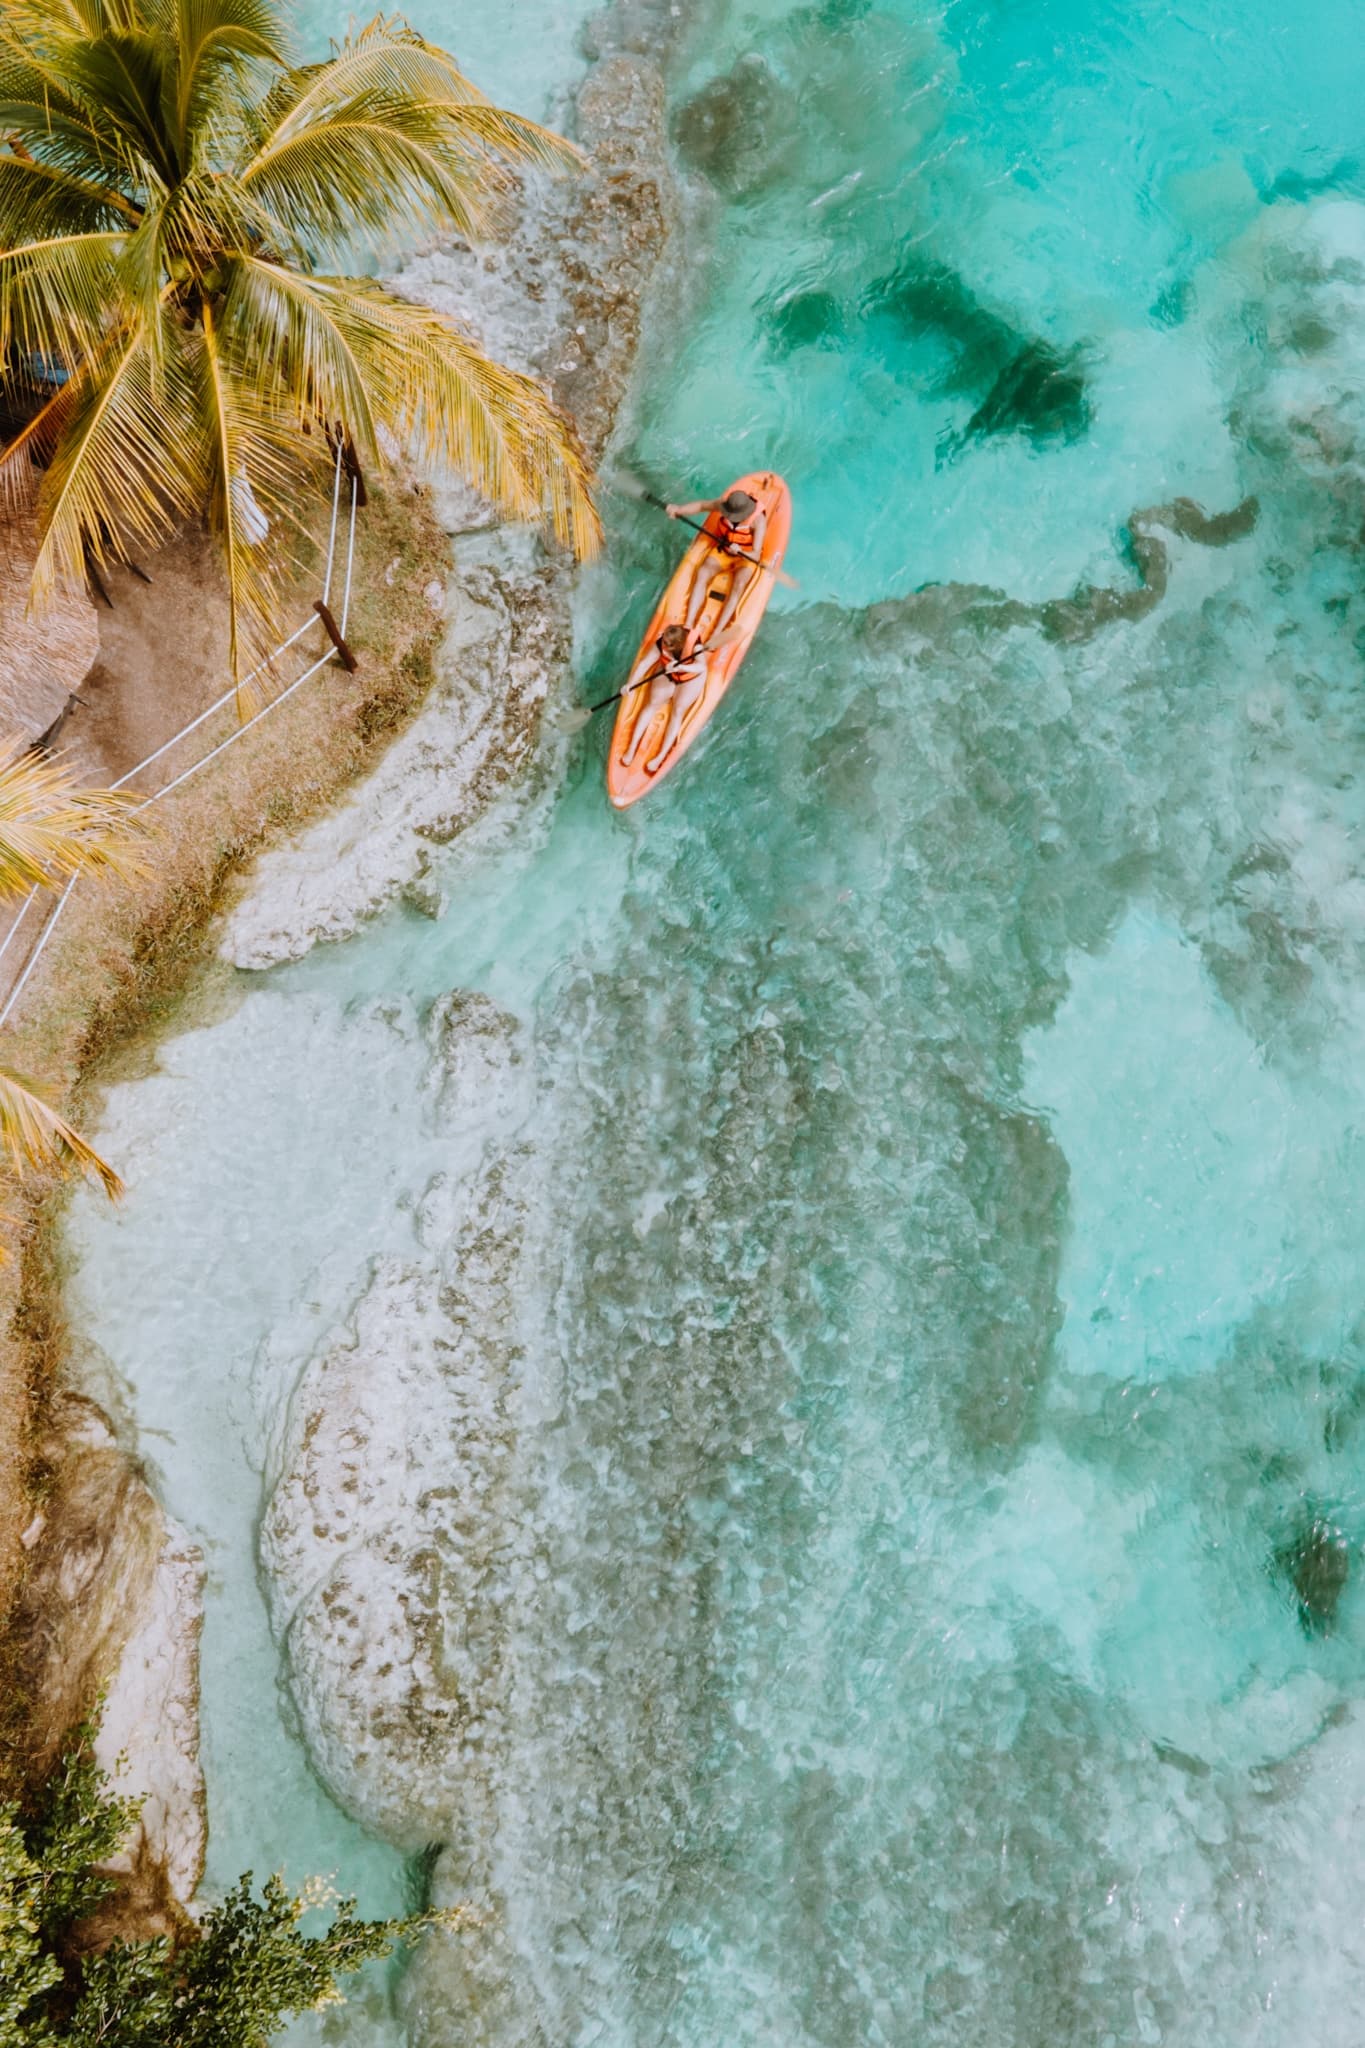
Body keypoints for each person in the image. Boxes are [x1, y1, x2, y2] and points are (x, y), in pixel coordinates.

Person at [666, 488, 767, 636]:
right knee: (703, 572)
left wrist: (740, 551)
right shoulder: (723, 505)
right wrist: (679, 510)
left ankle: (717, 631)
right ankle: (688, 624)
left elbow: (756, 554)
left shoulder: (758, 520)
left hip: (745, 557)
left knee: (738, 585)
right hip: (724, 550)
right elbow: (701, 506)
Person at [620, 622, 709, 774]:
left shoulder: (695, 646)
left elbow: (701, 667)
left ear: (677, 644)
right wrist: (630, 684)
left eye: (668, 644)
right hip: (668, 672)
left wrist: (682, 667)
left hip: (690, 676)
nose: (665, 645)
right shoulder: (662, 642)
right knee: (652, 703)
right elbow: (645, 663)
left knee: (678, 709)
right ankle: (631, 748)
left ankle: (660, 757)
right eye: (664, 642)